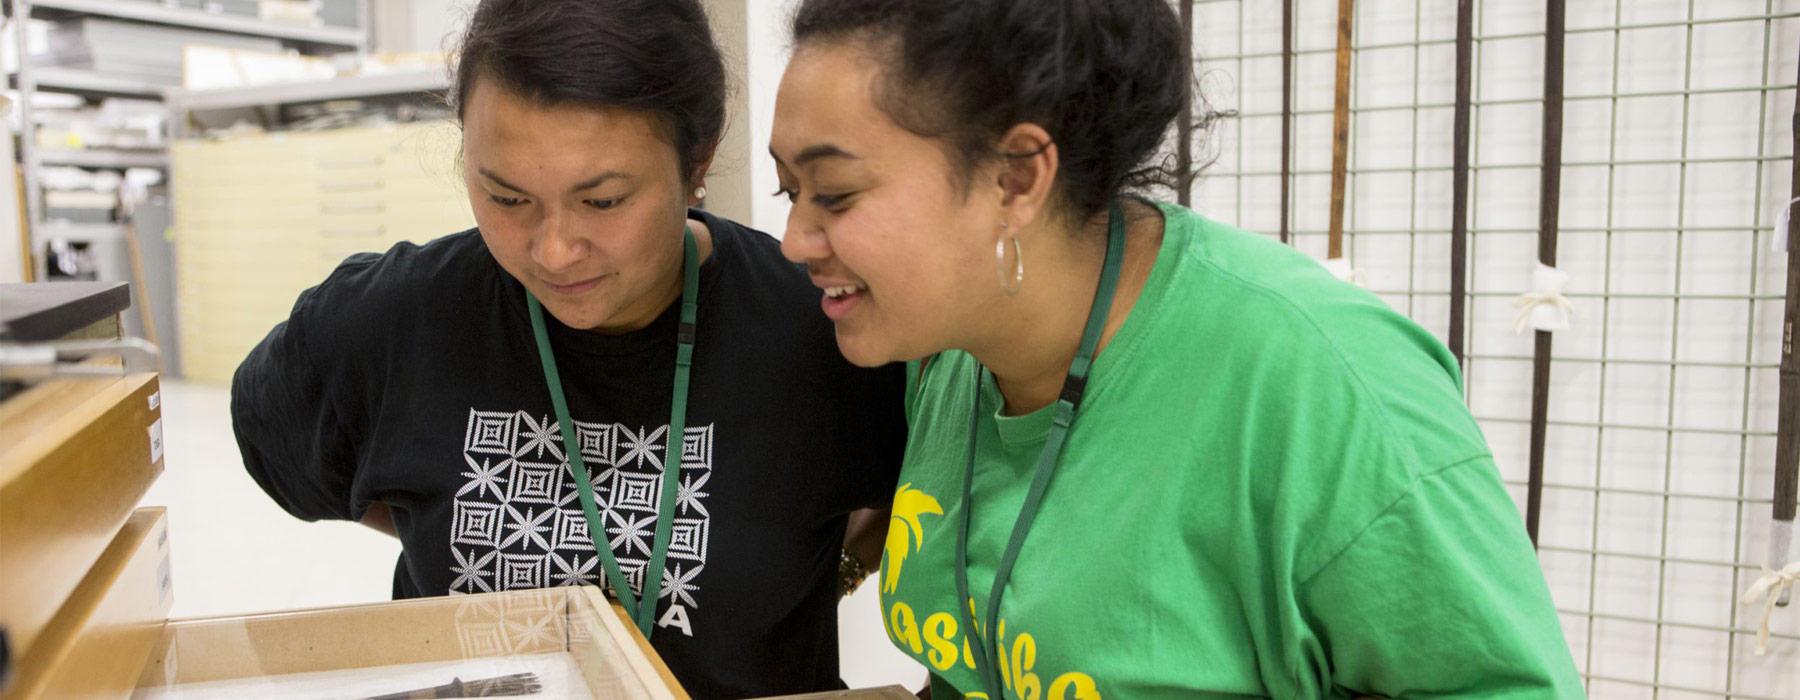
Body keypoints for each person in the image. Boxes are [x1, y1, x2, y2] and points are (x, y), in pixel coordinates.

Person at [770, 1, 1586, 698]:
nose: (794, 238)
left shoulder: (1322, 383)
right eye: (789, 190)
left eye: (835, 195)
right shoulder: (946, 359)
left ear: (1015, 179)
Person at [231, 1, 903, 696]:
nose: (554, 251)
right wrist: (444, 521)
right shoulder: (395, 320)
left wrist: (831, 570)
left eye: (603, 202)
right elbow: (276, 438)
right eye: (507, 197)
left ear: (696, 160)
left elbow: (930, 484)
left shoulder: (821, 330)